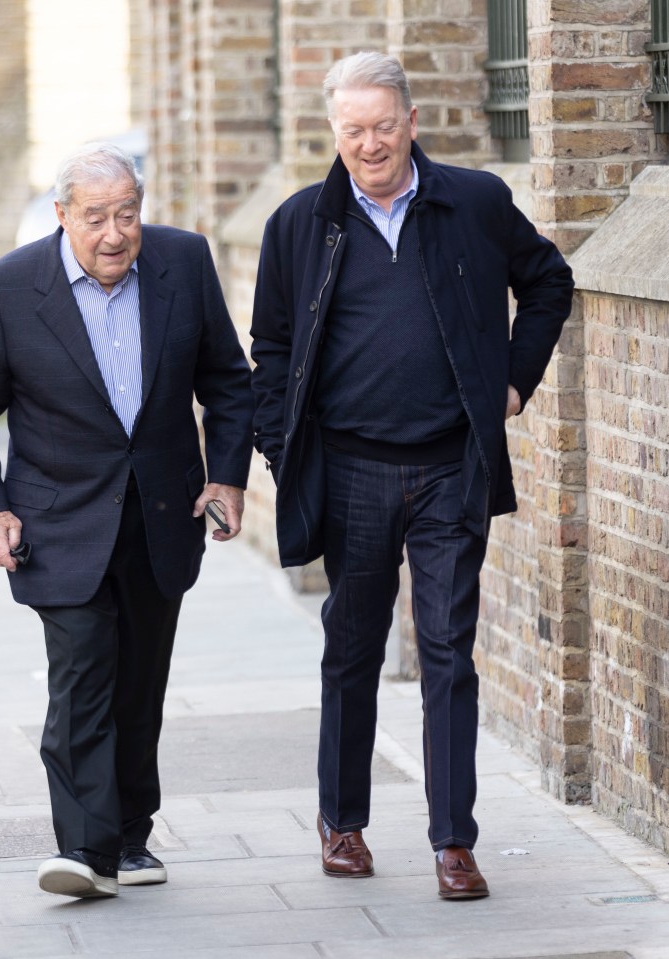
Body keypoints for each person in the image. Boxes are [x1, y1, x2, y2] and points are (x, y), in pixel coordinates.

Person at [250, 51, 574, 899]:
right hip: (350, 469)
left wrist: (513, 380)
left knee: (447, 654)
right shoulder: (299, 223)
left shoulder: (472, 202)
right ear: (334, 131)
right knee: (351, 651)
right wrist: (288, 454)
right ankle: (343, 824)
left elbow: (548, 283)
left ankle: (453, 841)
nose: (368, 145)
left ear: (411, 123)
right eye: (352, 130)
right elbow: (272, 352)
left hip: (446, 469)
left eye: (382, 127)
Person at [0, 142, 253, 899]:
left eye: (127, 214)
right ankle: (85, 849)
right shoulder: (10, 287)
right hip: (56, 522)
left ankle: (131, 836)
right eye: (95, 217)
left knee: (139, 683)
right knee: (82, 675)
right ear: (61, 217)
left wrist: (227, 475)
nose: (114, 233)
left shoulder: (183, 262)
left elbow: (227, 381)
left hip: (160, 513)